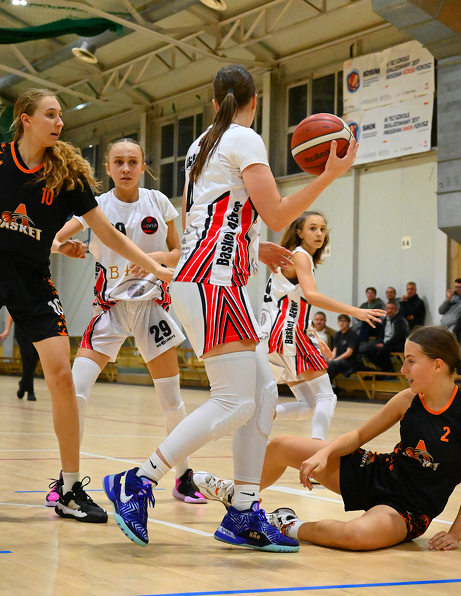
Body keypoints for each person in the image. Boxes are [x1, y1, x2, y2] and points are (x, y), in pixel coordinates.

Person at [102, 63, 358, 551]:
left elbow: (208, 217)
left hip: (210, 277)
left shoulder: (201, 144)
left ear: (214, 102)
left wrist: (253, 246)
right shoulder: (244, 138)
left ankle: (242, 509)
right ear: (254, 102)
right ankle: (139, 479)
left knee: (261, 395)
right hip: (212, 281)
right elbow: (277, 213)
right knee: (236, 401)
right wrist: (330, 174)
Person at [0, 88, 172, 524]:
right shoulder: (1, 159)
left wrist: (154, 265)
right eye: (50, 114)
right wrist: (61, 246)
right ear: (26, 119)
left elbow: (108, 234)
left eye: (61, 115)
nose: (59, 122)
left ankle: (70, 488)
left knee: (61, 376)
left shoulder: (66, 176)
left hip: (33, 280)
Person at [201, 326, 461, 551]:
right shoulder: (408, 399)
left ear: (437, 364)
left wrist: (455, 534)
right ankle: (237, 496)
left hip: (409, 509)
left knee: (355, 536)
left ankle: (283, 523)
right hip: (378, 474)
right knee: (281, 446)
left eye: (411, 361)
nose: (404, 369)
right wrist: (323, 453)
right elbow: (359, 435)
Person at [46, 137, 206, 507]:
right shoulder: (96, 206)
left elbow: (181, 252)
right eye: (118, 162)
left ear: (143, 166)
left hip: (151, 307)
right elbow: (52, 240)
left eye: (133, 161)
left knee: (172, 400)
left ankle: (184, 477)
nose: (126, 168)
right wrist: (64, 248)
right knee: (76, 392)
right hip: (109, 309)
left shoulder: (158, 202)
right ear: (107, 168)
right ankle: (67, 479)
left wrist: (155, 257)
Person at [260, 211, 385, 439]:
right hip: (289, 334)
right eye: (312, 228)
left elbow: (293, 303)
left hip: (273, 336)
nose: (319, 233)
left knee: (309, 404)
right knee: (326, 396)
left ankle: (260, 415)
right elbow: (312, 296)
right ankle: (317, 448)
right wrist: (355, 311)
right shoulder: (301, 256)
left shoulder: (291, 257)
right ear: (299, 233)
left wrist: (314, 337)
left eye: (322, 229)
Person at [0, 312, 40, 400]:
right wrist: (7, 330)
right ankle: (30, 391)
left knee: (34, 359)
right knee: (28, 358)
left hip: (37, 330)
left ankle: (23, 384)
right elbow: (12, 312)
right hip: (22, 330)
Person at [363, 301, 408, 373]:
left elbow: (398, 336)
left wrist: (385, 344)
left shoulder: (400, 320)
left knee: (383, 350)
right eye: (388, 309)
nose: (390, 311)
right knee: (368, 350)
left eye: (392, 309)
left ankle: (390, 370)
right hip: (385, 343)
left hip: (396, 344)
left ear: (396, 310)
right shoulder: (385, 320)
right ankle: (384, 368)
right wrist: (380, 342)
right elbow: (381, 334)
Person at [326, 314, 360, 383]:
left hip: (349, 362)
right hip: (338, 360)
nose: (341, 323)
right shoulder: (338, 334)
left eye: (344, 321)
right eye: (340, 321)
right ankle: (329, 384)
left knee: (332, 364)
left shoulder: (352, 335)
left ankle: (327, 384)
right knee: (325, 364)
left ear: (348, 322)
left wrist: (335, 360)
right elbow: (334, 350)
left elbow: (349, 353)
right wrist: (330, 359)